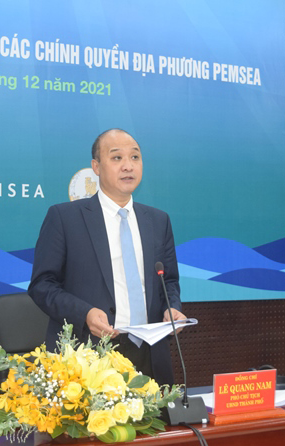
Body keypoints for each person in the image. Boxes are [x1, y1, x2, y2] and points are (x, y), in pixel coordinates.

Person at [28, 129, 186, 385]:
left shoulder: (158, 221)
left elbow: (168, 281)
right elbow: (42, 285)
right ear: (96, 167)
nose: (128, 166)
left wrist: (172, 308)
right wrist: (85, 313)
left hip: (150, 354)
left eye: (135, 157)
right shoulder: (65, 218)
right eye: (116, 158)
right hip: (89, 355)